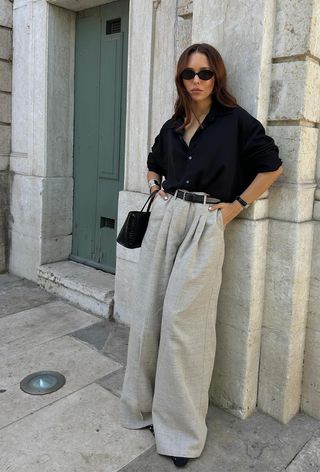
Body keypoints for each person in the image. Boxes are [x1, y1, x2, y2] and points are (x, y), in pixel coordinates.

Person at [119, 43, 283, 468]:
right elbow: (153, 161)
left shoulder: (236, 122)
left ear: (217, 78)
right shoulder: (174, 123)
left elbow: (272, 167)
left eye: (204, 73)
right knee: (150, 315)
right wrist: (156, 183)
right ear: (180, 78)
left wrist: (236, 207)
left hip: (204, 222)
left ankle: (180, 433)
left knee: (183, 326)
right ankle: (142, 409)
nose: (196, 81)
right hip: (168, 215)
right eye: (189, 74)